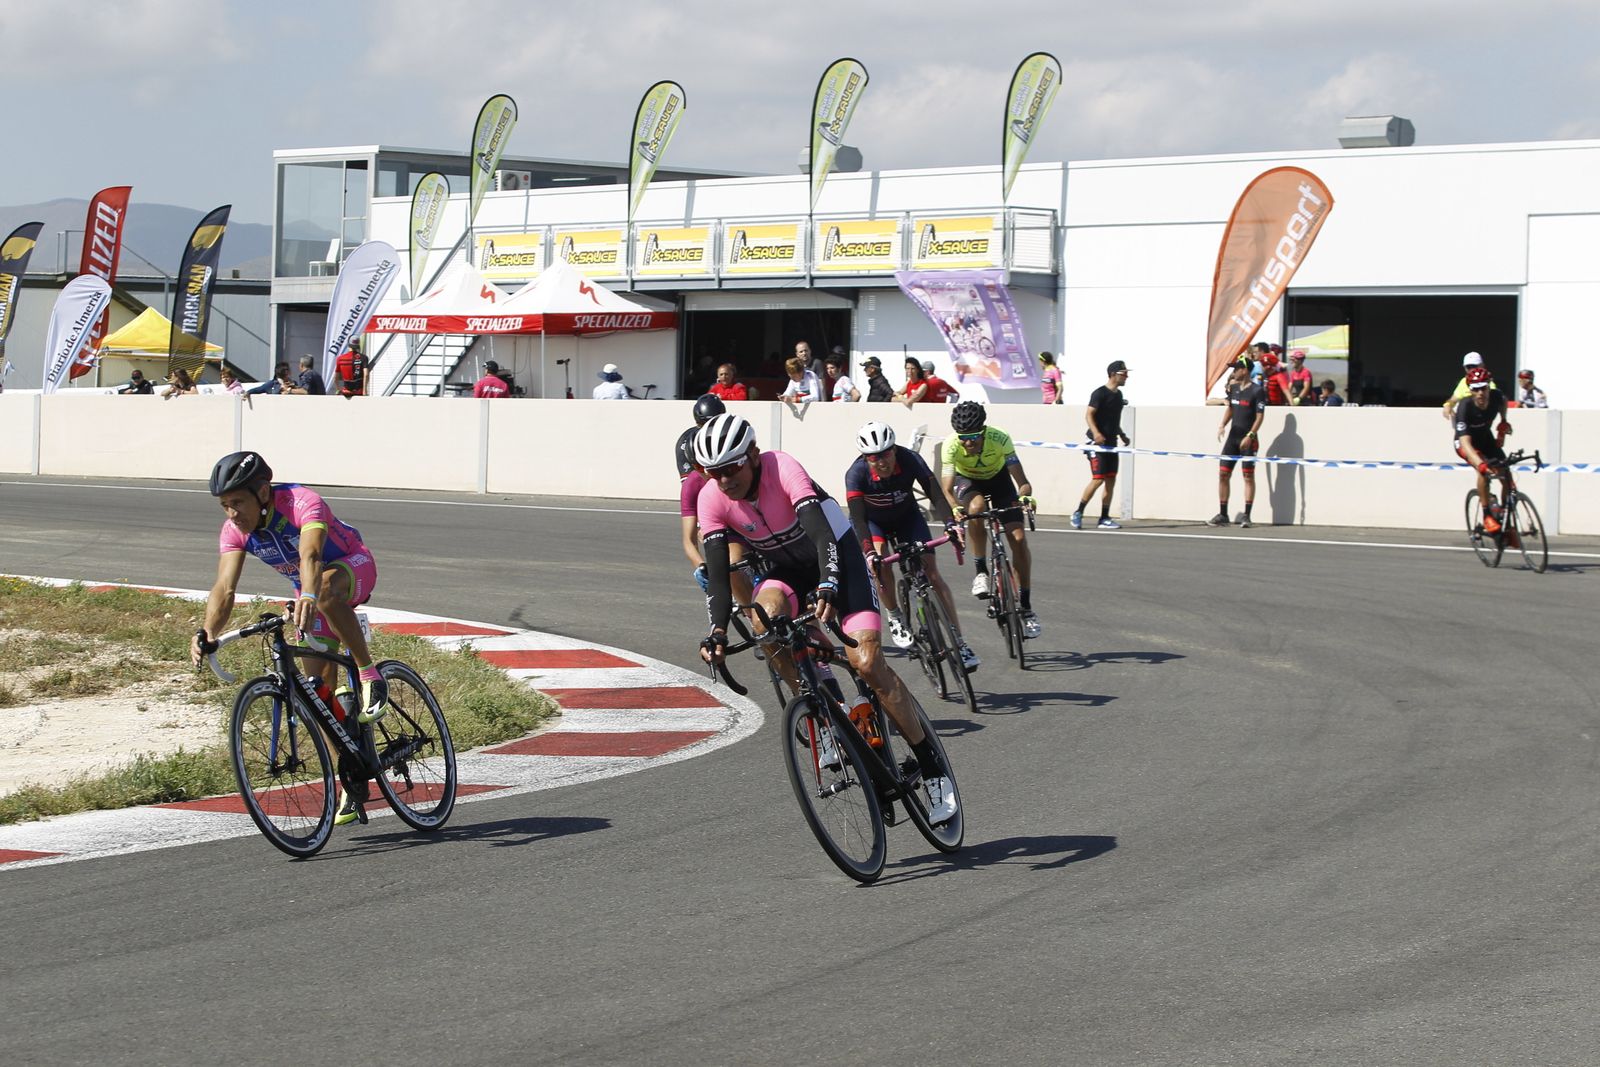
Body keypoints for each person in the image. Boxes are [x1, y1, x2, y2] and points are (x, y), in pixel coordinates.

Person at [694, 413, 957, 823]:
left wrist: (830, 582)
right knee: (765, 623)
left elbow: (821, 534)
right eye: (712, 472)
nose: (723, 480)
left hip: (840, 558)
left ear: (752, 456)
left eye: (730, 468)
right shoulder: (711, 497)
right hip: (786, 572)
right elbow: (718, 576)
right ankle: (824, 708)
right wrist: (716, 631)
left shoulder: (783, 467)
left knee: (868, 664)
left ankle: (934, 769)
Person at [191, 451, 387, 826]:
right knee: (315, 690)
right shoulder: (234, 531)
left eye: (238, 503)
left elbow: (311, 556)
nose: (232, 513)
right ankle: (350, 771)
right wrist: (208, 632)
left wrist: (310, 596)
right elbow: (224, 587)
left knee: (325, 589)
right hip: (309, 588)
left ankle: (368, 673)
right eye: (224, 506)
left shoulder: (301, 503)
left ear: (263, 492)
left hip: (351, 568)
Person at [846, 421, 979, 669]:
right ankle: (895, 614)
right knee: (880, 559)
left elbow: (936, 494)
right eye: (874, 458)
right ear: (866, 458)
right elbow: (858, 519)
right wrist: (868, 553)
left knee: (932, 574)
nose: (882, 462)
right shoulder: (856, 474)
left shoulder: (910, 459)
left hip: (908, 518)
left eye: (886, 454)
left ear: (894, 449)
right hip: (875, 524)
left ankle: (960, 644)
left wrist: (951, 524)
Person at [940, 400, 1041, 638]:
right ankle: (981, 571)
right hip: (968, 483)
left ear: (984, 431)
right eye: (963, 436)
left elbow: (1023, 483)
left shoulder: (1000, 438)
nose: (968, 442)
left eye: (973, 436)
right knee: (977, 506)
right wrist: (955, 507)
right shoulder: (951, 445)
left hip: (1000, 482)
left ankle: (1026, 607)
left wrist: (1025, 497)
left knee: (1018, 540)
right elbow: (946, 489)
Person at [1071, 360, 1132, 530]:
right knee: (1098, 479)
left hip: (1112, 444)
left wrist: (1122, 435)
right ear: (1113, 374)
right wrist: (1096, 433)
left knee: (1111, 480)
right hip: (1096, 445)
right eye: (1124, 373)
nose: (1127, 377)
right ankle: (1078, 512)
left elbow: (1113, 420)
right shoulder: (1099, 393)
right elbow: (1089, 415)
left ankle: (1104, 517)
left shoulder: (1118, 396)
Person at [1453, 366, 1514, 534]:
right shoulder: (1465, 408)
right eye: (1476, 389)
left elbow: (1504, 402)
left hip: (1485, 438)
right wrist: (1480, 464)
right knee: (1484, 472)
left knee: (1507, 477)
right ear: (1470, 391)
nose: (1480, 393)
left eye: (1483, 388)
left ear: (1489, 387)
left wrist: (1503, 422)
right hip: (1467, 443)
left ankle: (1503, 518)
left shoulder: (1497, 397)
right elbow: (1465, 442)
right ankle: (1487, 514)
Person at [1210, 360, 1265, 527]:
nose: (1234, 372)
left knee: (1248, 476)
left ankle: (1247, 515)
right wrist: (1222, 425)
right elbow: (1231, 409)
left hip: (1248, 440)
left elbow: (1260, 416)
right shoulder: (1233, 388)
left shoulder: (1257, 390)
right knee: (1223, 474)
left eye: (1237, 369)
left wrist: (1250, 435)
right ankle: (1223, 514)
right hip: (1232, 438)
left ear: (1245, 370)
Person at [1441, 351, 1498, 420]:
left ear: (1482, 365)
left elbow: (1496, 400)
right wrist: (1448, 405)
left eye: (1474, 366)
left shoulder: (1488, 382)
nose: (1472, 370)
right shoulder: (1463, 382)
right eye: (1468, 367)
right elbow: (1453, 400)